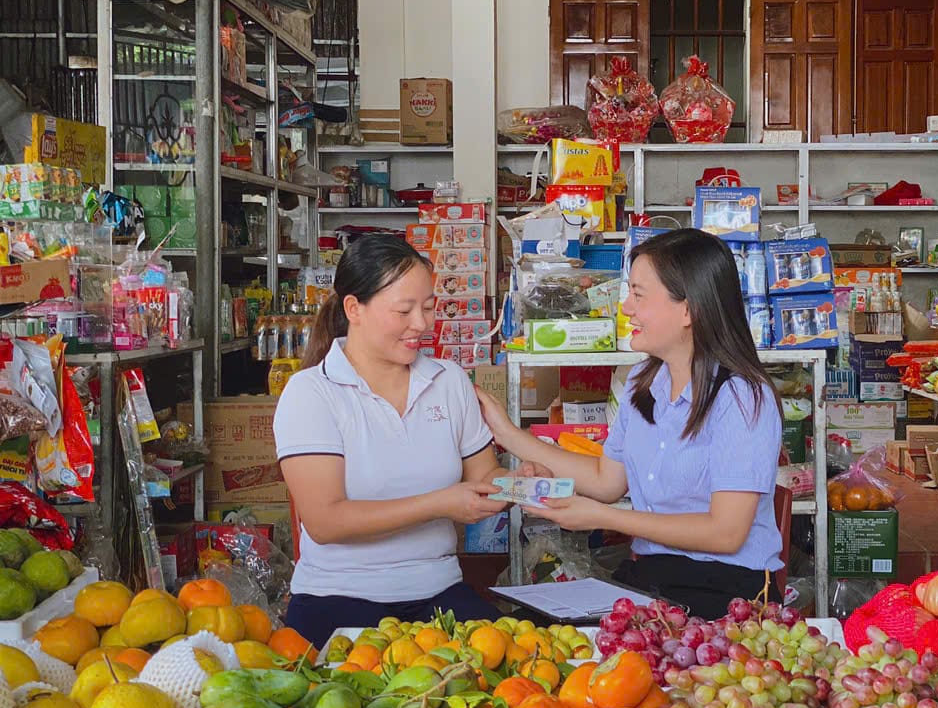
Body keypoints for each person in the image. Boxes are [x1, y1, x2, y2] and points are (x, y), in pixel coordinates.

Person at [477, 228, 784, 618]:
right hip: (653, 580)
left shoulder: (741, 397)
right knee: (523, 632)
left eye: (639, 295)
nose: (625, 308)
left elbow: (726, 532)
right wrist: (507, 434)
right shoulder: (643, 381)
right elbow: (607, 481)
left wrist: (602, 517)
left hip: (729, 591)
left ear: (689, 310)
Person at [274, 233, 507, 646]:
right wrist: (440, 502)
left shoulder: (448, 380)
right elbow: (325, 521)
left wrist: (521, 483)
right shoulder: (311, 393)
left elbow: (485, 475)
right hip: (338, 594)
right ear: (354, 309)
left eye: (430, 307)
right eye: (404, 310)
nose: (423, 324)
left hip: (439, 591)